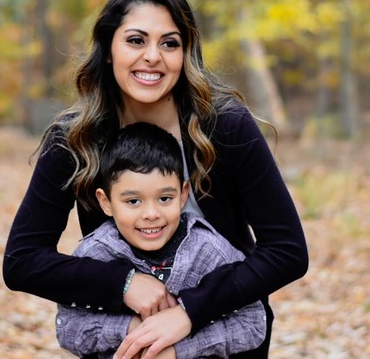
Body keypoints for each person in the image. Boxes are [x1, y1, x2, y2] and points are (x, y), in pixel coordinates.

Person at [3, 0, 308, 359]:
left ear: (186, 54)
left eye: (170, 43)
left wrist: (189, 312)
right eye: (136, 40)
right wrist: (124, 283)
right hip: (129, 340)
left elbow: (287, 251)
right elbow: (22, 261)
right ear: (109, 49)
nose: (153, 56)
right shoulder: (75, 139)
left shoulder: (225, 126)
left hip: (225, 337)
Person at [55, 122, 266, 358]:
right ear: (106, 202)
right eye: (133, 201)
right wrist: (133, 329)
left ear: (183, 194)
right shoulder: (95, 254)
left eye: (165, 198)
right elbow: (68, 328)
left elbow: (253, 322)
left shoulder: (209, 250)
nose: (151, 214)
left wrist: (177, 349)